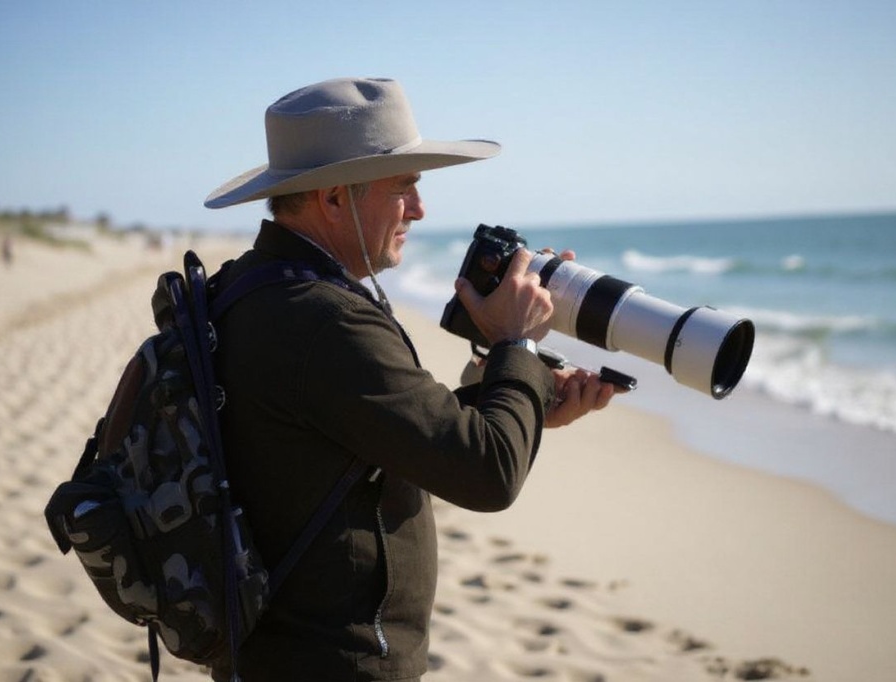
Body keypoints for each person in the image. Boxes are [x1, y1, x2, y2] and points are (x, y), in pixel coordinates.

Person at [203, 77, 620, 681]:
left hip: (272, 654)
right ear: (335, 198)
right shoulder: (325, 320)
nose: (420, 211)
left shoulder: (254, 287)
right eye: (405, 188)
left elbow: (358, 431)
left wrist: (509, 391)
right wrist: (516, 343)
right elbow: (487, 474)